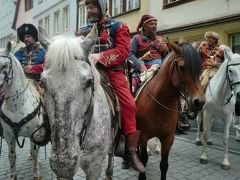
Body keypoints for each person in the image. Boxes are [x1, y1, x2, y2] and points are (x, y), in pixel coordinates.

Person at [84, 0, 145, 173]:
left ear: (102, 8)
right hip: (90, 73)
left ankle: (131, 152)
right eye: (88, 8)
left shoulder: (119, 26)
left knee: (129, 105)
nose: (89, 11)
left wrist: (100, 56)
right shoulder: (84, 29)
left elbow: (123, 51)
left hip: (113, 74)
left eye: (93, 7)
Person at [14, 23, 48, 145]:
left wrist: (33, 69)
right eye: (25, 37)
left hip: (38, 83)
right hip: (21, 84)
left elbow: (48, 66)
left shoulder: (43, 52)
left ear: (34, 37)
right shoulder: (18, 53)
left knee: (48, 103)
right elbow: (13, 66)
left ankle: (46, 124)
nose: (26, 39)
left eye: (29, 36)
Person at [128, 15, 168, 95]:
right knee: (132, 88)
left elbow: (166, 57)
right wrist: (140, 66)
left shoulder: (160, 39)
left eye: (155, 24)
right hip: (143, 70)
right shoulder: (136, 38)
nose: (154, 26)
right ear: (144, 26)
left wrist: (165, 50)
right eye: (151, 24)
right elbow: (130, 54)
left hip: (160, 69)